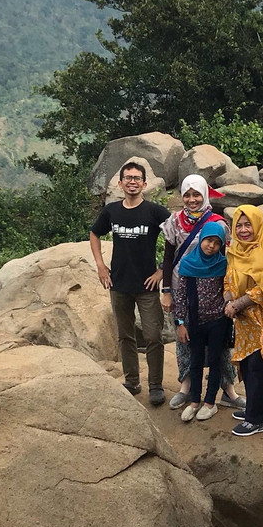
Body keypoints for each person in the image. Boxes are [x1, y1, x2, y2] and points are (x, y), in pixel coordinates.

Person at [90, 161, 172, 407]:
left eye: (137, 178)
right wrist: (100, 265)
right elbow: (95, 233)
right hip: (119, 284)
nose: (132, 181)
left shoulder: (155, 212)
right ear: (120, 183)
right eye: (128, 178)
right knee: (125, 336)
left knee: (153, 336)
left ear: (144, 184)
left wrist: (161, 270)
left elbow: (175, 238)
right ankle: (132, 381)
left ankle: (156, 386)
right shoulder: (112, 211)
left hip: (146, 285)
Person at [160, 175, 243, 411]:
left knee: (221, 344)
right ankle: (186, 388)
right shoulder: (175, 221)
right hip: (182, 286)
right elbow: (168, 258)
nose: (192, 199)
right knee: (184, 340)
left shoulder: (218, 222)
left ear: (205, 195)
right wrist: (167, 291)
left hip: (214, 291)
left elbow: (227, 257)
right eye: (187, 194)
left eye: (197, 194)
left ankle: (228, 391)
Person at [224, 204, 263, 437]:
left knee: (257, 365)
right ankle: (257, 410)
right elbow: (228, 279)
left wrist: (237, 304)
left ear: (257, 225)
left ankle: (256, 420)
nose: (244, 230)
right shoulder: (235, 249)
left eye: (248, 225)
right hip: (242, 320)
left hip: (261, 318)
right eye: (240, 225)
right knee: (246, 364)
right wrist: (228, 300)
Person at [171, 221, 232, 422]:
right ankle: (194, 401)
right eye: (208, 240)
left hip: (217, 321)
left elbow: (229, 290)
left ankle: (210, 403)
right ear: (201, 240)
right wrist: (180, 322)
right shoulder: (188, 263)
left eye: (216, 242)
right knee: (195, 362)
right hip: (194, 322)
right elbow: (180, 295)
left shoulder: (222, 264)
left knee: (215, 361)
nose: (211, 246)